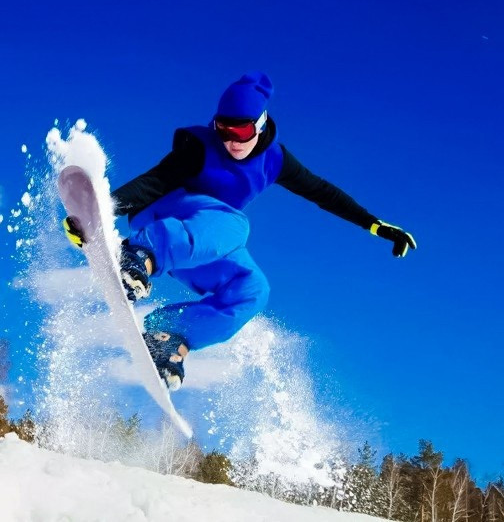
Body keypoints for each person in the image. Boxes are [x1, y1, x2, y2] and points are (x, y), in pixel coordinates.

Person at [63, 71, 416, 391]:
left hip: (203, 242)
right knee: (235, 223)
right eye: (224, 129)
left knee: (253, 288)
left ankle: (169, 334)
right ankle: (138, 257)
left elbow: (322, 192)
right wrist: (101, 212)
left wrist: (375, 225)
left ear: (261, 125)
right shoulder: (200, 147)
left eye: (242, 131)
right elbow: (154, 182)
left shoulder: (276, 161)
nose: (232, 141)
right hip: (162, 221)